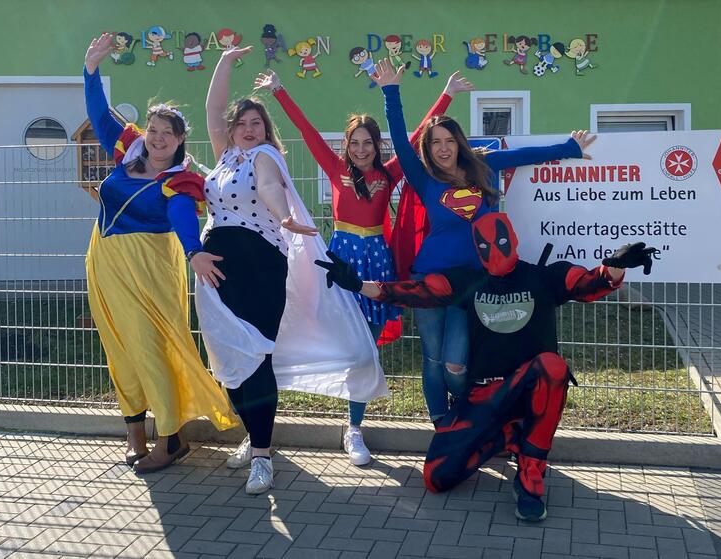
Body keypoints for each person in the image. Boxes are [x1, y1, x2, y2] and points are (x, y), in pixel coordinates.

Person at [317, 212, 657, 521]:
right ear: (477, 251)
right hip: (483, 396)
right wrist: (358, 285)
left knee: (552, 368)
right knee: (436, 477)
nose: (494, 250)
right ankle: (506, 436)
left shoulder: (542, 277)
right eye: (484, 245)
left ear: (514, 240)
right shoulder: (469, 282)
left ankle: (530, 475)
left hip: (528, 390)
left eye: (501, 241)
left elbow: (588, 282)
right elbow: (414, 292)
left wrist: (614, 268)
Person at [254, 68, 473, 466]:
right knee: (320, 340)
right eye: (354, 143)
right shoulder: (335, 168)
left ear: (377, 146)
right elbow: (307, 131)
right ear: (346, 145)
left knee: (364, 349)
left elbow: (416, 135)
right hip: (339, 265)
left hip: (374, 267)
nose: (360, 149)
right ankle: (259, 428)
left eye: (367, 143)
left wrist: (447, 94)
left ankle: (353, 427)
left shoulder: (389, 173)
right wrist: (280, 90)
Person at [374, 59, 596, 425]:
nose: (443, 149)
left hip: (472, 282)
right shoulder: (425, 178)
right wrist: (390, 93)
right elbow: (399, 140)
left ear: (459, 142)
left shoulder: (485, 167)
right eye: (435, 143)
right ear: (428, 149)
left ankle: (467, 412)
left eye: (449, 141)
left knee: (455, 363)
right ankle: (443, 426)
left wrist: (569, 148)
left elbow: (526, 156)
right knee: (432, 359)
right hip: (428, 279)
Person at [82, 33, 239, 474]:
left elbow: (182, 215)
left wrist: (194, 251)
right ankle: (134, 432)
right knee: (119, 346)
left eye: (166, 134)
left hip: (149, 269)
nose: (156, 138)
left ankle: (171, 439)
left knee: (151, 348)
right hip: (105, 263)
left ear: (180, 139)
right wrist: (91, 70)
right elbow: (99, 115)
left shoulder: (178, 179)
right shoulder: (127, 151)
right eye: (153, 130)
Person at [198, 46, 320, 494]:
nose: (249, 130)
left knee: (256, 355)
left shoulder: (264, 156)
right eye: (242, 124)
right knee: (227, 359)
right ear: (232, 130)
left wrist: (284, 216)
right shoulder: (225, 155)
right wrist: (225, 61)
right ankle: (254, 433)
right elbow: (212, 110)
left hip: (260, 267)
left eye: (257, 123)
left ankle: (263, 456)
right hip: (215, 270)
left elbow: (269, 187)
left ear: (266, 130)